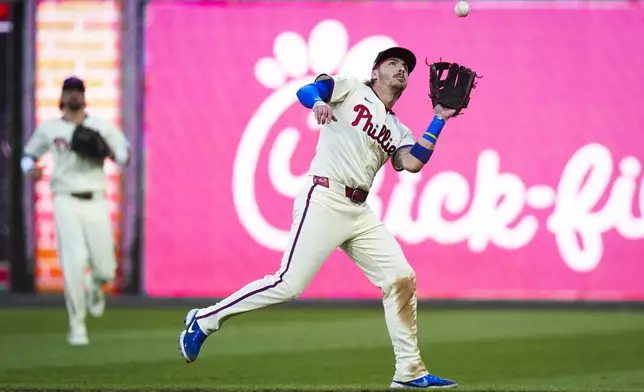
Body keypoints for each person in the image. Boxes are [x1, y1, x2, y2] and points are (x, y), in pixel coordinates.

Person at [179, 47, 461, 388]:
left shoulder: (398, 129)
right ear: (375, 73)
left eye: (405, 67)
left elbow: (412, 162)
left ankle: (409, 371)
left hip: (359, 210)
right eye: (392, 63)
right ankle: (205, 320)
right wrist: (317, 102)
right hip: (325, 196)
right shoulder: (352, 88)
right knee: (288, 284)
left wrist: (440, 118)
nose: (401, 70)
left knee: (400, 277)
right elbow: (308, 90)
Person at [22, 76, 130, 346]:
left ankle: (96, 286)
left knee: (105, 267)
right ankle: (77, 325)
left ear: (84, 96)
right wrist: (30, 170)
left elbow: (123, 154)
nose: (73, 96)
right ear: (62, 96)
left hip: (95, 198)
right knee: (73, 262)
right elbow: (27, 155)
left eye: (77, 92)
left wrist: (106, 151)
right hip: (65, 199)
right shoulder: (50, 129)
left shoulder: (99, 127)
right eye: (69, 92)